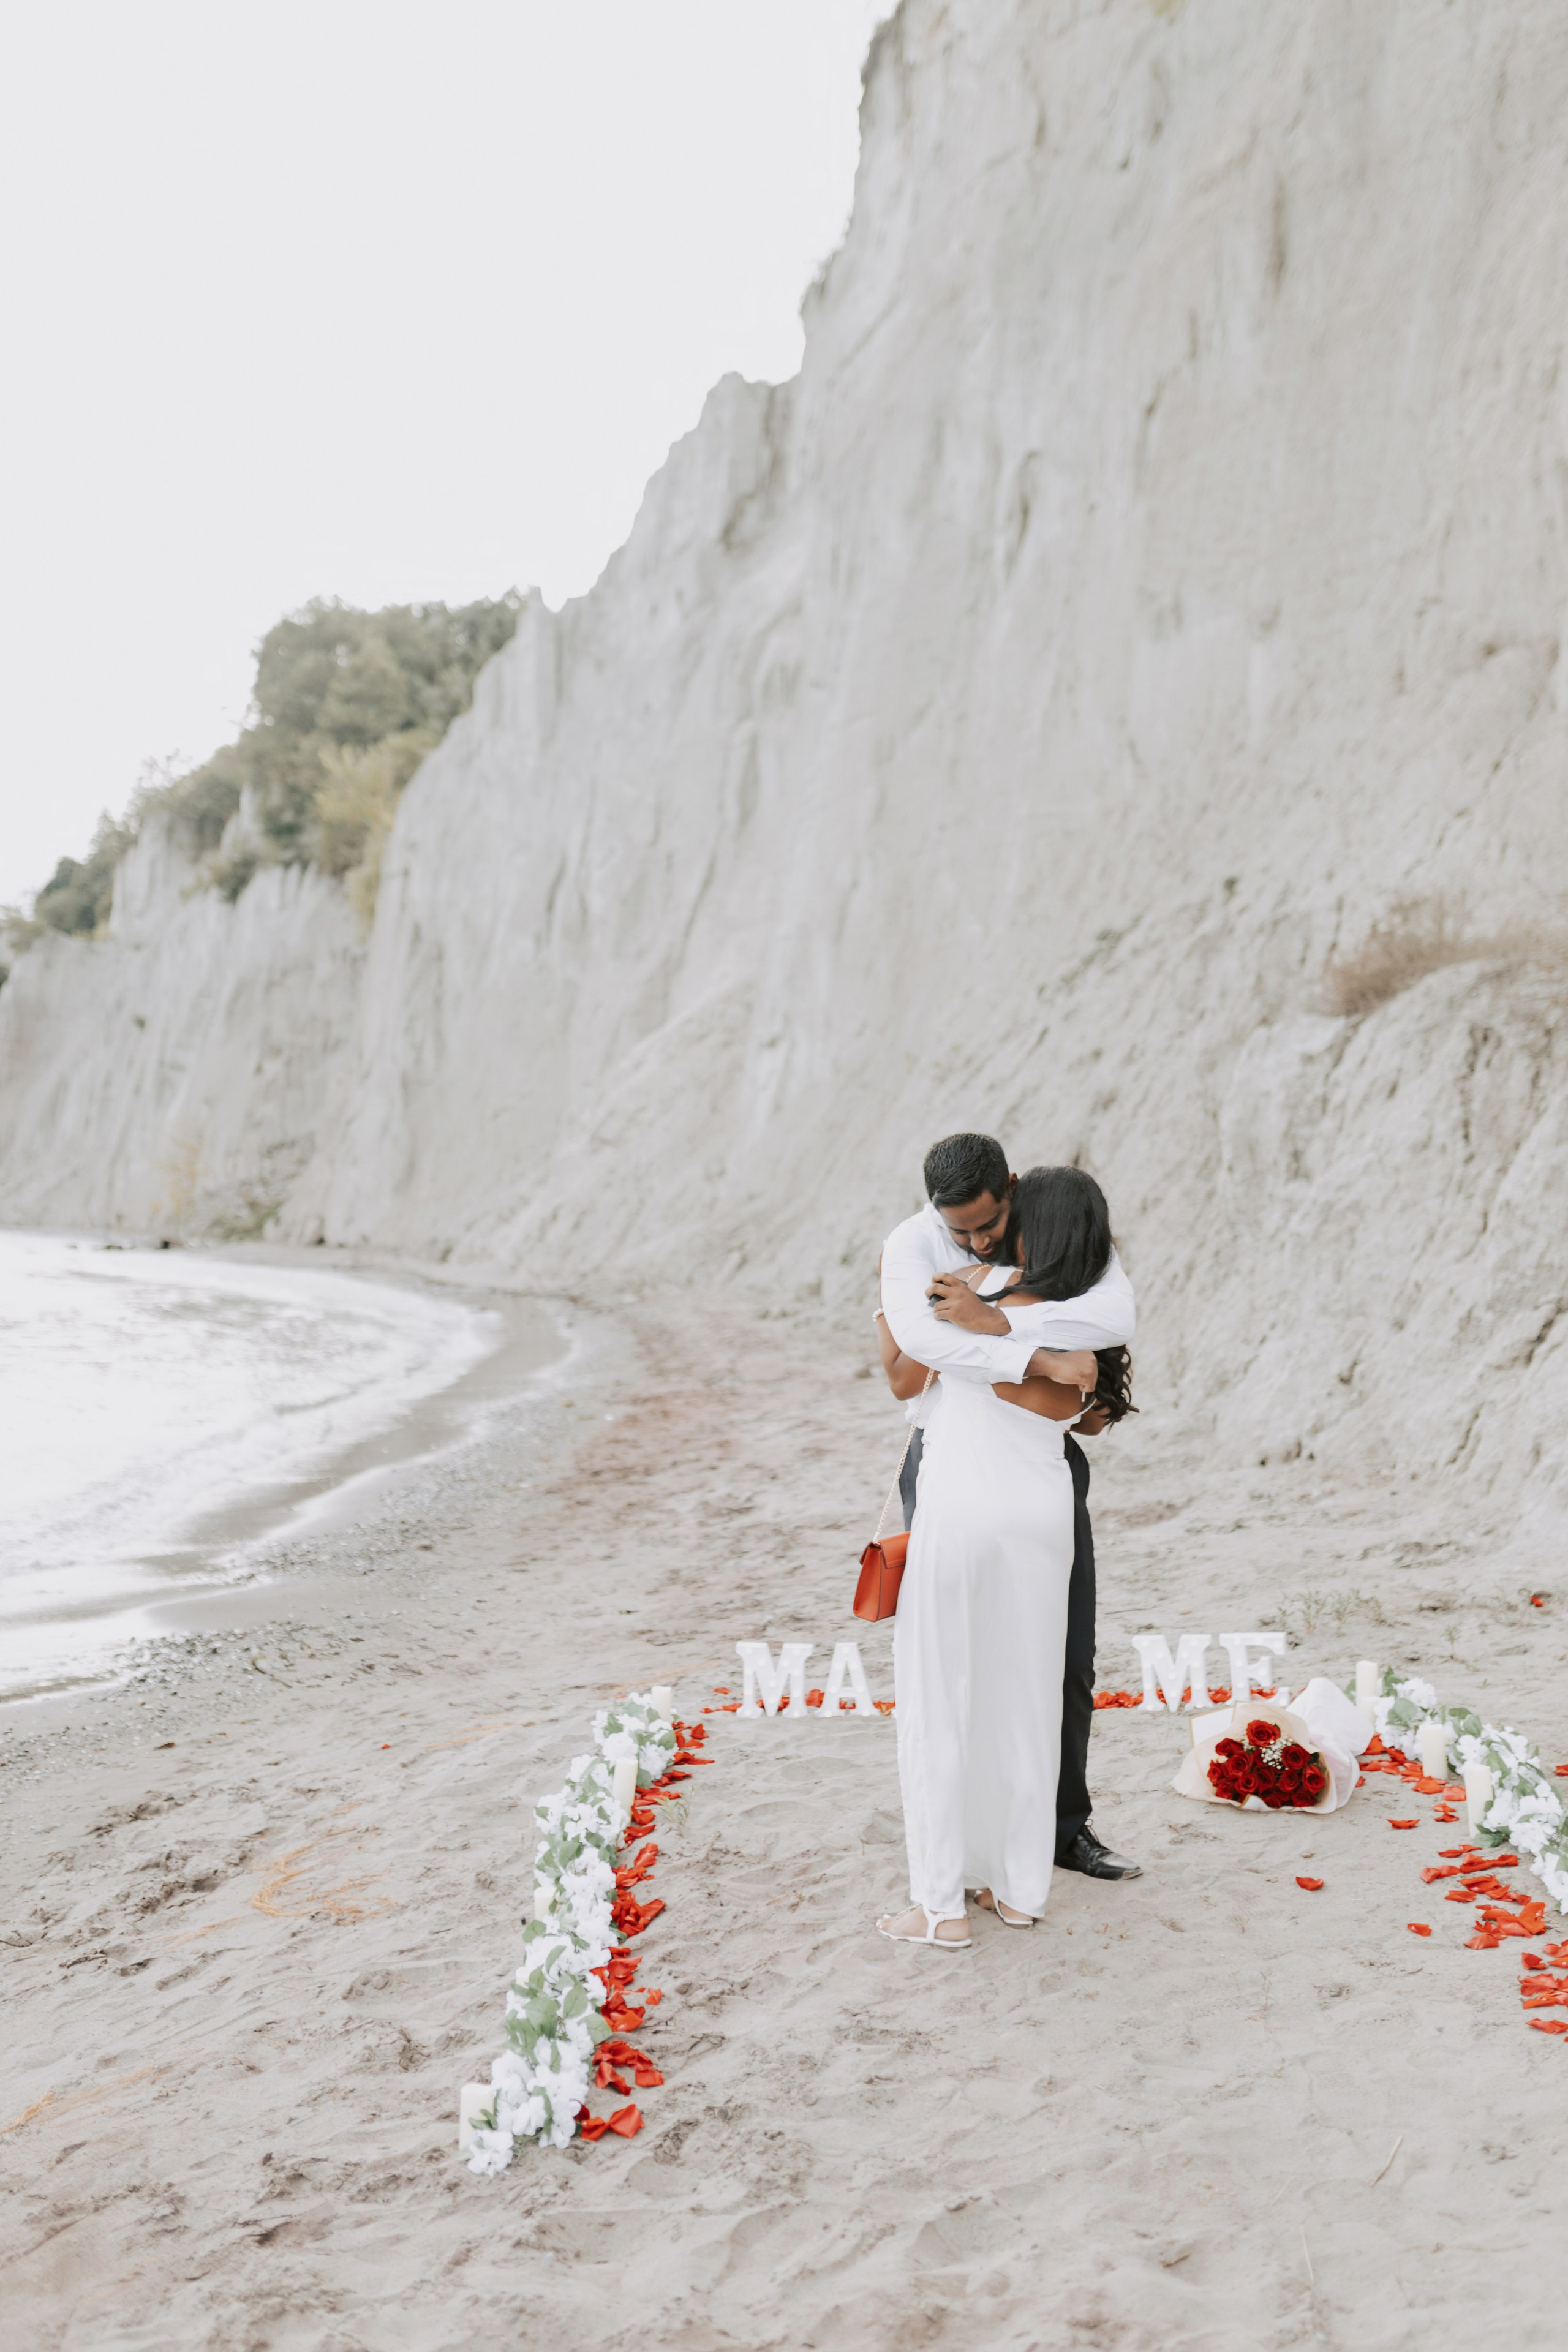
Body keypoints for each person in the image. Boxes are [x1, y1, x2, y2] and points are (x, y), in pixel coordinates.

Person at [874, 1139, 1139, 1943]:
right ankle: (1019, 1889)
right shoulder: (1075, 1325)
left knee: (940, 1701)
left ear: (1023, 1215)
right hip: (1041, 1511)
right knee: (1027, 1697)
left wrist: (953, 1320)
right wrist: (1034, 1352)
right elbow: (1082, 1401)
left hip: (962, 1509)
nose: (985, 1239)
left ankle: (940, 1909)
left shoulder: (960, 1297)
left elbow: (909, 1368)